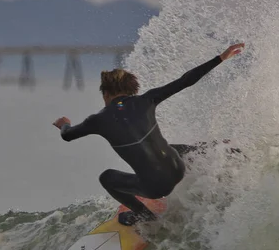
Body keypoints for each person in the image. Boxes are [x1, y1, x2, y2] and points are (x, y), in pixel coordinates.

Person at [53, 43, 245, 226]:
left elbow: (67, 135)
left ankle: (144, 216)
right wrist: (220, 58)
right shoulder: (147, 99)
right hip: (178, 168)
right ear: (132, 89)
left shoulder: (97, 120)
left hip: (156, 188)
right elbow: (186, 80)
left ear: (105, 93)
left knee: (106, 178)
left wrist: (64, 124)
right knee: (169, 148)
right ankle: (214, 149)